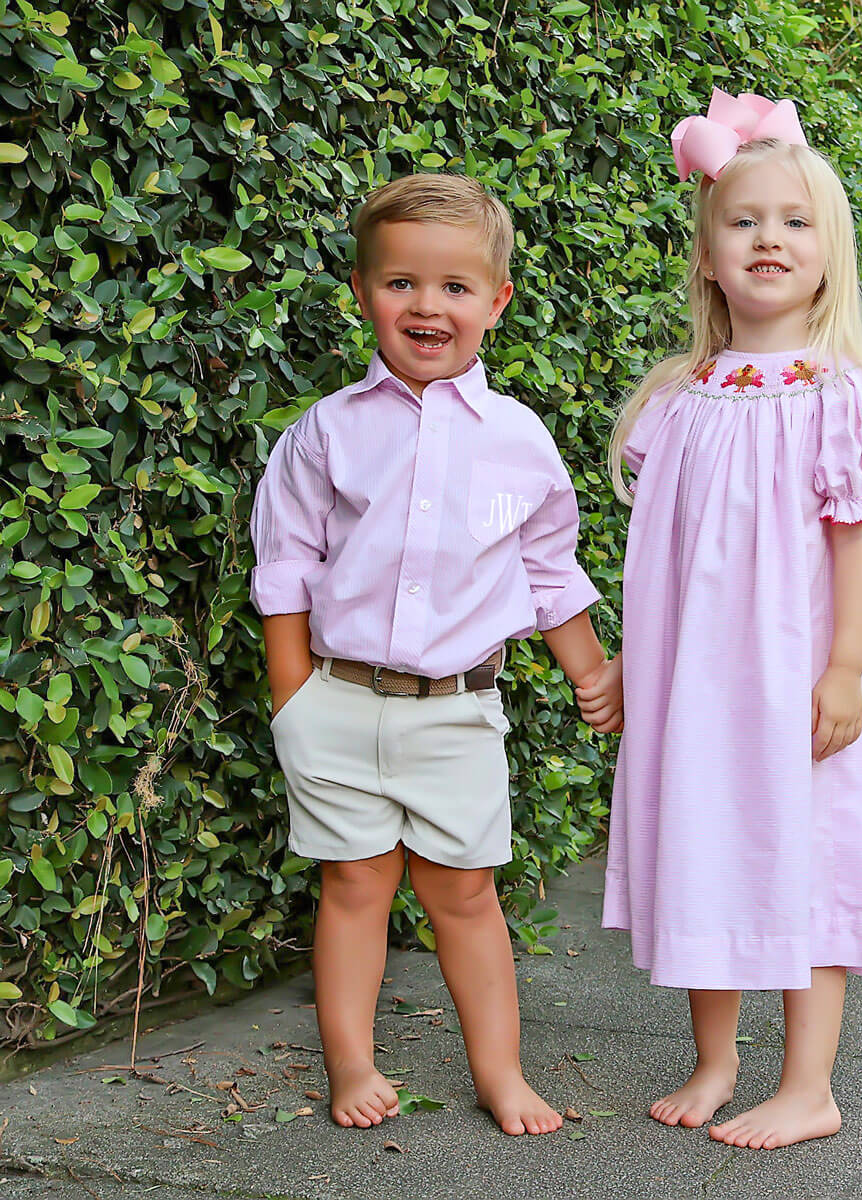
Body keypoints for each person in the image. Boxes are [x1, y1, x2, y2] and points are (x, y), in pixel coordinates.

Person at [578, 89, 862, 1150]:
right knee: (705, 835)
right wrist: (632, 666)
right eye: (743, 221)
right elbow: (668, 556)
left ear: (830, 252)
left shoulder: (844, 391)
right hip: (699, 673)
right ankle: (714, 1059)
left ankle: (809, 1085)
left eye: (795, 222)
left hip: (800, 666)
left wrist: (845, 669)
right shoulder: (679, 396)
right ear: (705, 254)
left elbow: (857, 541)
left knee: (806, 847)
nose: (769, 239)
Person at [250, 173, 623, 1135]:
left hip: (457, 711)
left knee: (464, 896)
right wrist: (294, 699)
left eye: (456, 287)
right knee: (355, 886)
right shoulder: (326, 432)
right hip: (336, 702)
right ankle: (350, 1066)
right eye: (402, 283)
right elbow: (286, 566)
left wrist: (591, 671)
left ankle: (500, 1072)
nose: (428, 306)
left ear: (496, 302)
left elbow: (549, 573)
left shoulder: (520, 442)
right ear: (363, 289)